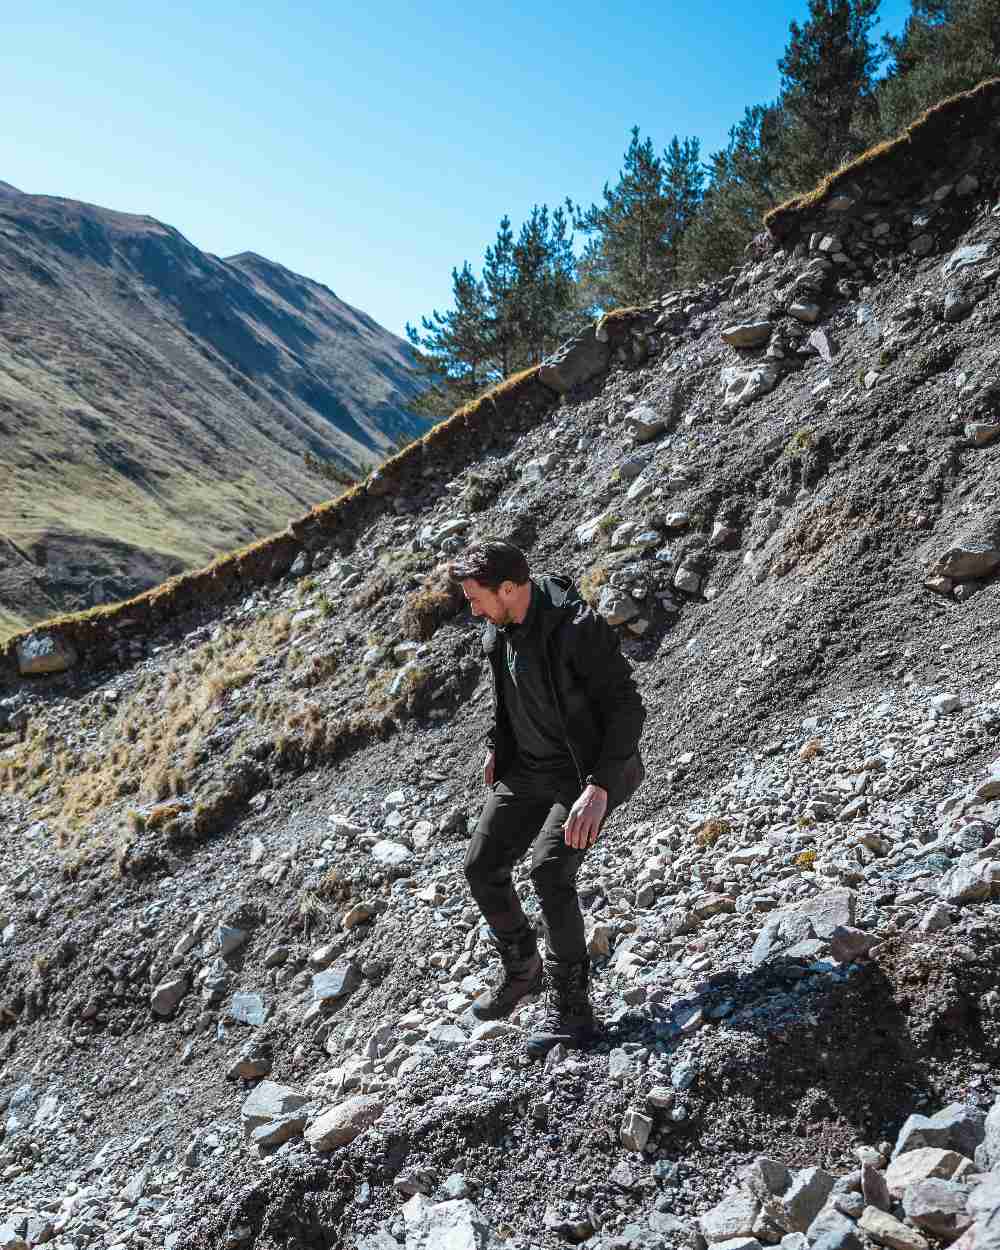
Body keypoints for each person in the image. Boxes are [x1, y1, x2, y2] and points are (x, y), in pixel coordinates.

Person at [449, 539, 646, 1057]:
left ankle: (574, 1012)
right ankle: (524, 970)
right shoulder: (497, 631)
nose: (472, 609)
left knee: (548, 870)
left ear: (510, 589)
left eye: (476, 597)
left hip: (585, 774)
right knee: (481, 866)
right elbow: (507, 699)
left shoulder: (578, 629)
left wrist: (600, 787)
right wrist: (498, 746)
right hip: (528, 771)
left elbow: (628, 707)